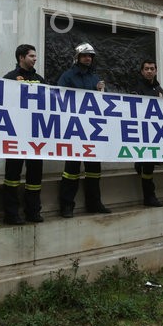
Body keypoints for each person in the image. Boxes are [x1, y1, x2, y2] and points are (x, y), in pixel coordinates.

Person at [56, 43, 110, 217]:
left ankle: (95, 203)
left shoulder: (95, 78)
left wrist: (101, 91)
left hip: (92, 130)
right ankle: (67, 206)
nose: (88, 59)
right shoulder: (68, 77)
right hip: (74, 129)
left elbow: (101, 103)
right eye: (85, 56)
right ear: (77, 57)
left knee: (94, 170)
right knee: (71, 170)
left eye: (90, 56)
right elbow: (60, 99)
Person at [1, 44, 46, 224]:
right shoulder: (9, 78)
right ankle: (11, 214)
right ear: (21, 57)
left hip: (35, 135)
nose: (35, 59)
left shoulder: (40, 80)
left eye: (35, 56)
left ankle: (33, 211)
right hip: (16, 135)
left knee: (35, 176)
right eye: (31, 56)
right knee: (12, 176)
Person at [132, 59, 163, 208]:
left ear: (156, 71)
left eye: (152, 68)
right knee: (148, 166)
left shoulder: (159, 90)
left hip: (155, 134)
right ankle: (149, 197)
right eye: (146, 69)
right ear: (142, 71)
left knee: (151, 165)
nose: (149, 71)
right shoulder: (137, 88)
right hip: (142, 133)